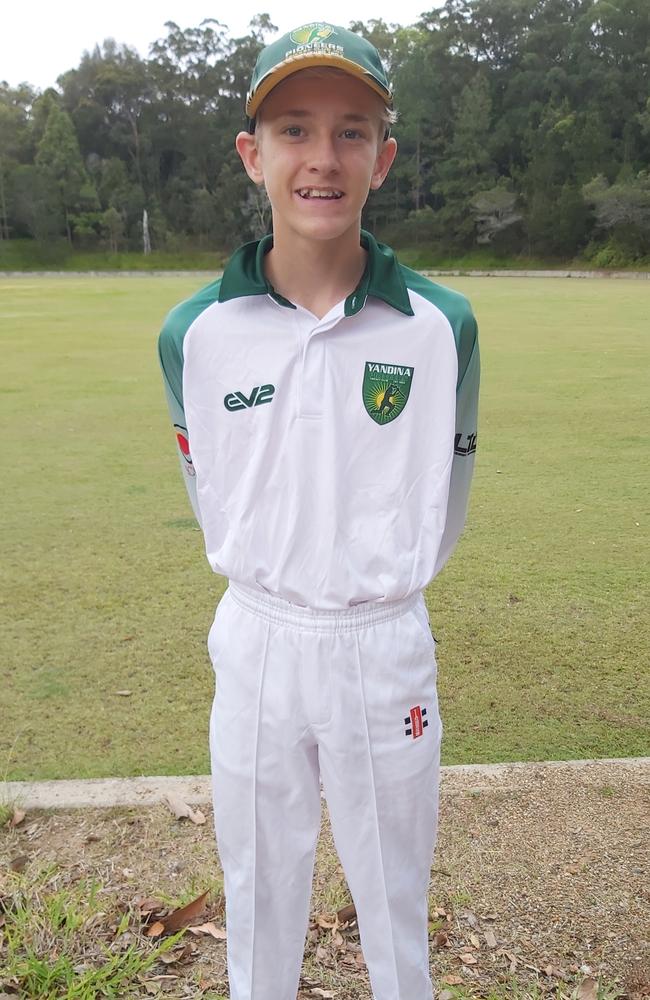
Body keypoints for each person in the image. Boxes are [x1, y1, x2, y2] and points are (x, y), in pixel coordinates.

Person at [158, 21, 479, 1000]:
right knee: (258, 897)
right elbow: (207, 485)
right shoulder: (195, 335)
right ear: (253, 155)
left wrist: (379, 578)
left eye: (350, 132)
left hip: (383, 641)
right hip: (256, 637)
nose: (322, 157)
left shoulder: (437, 328)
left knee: (393, 899)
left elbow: (446, 493)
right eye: (294, 129)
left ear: (381, 159)